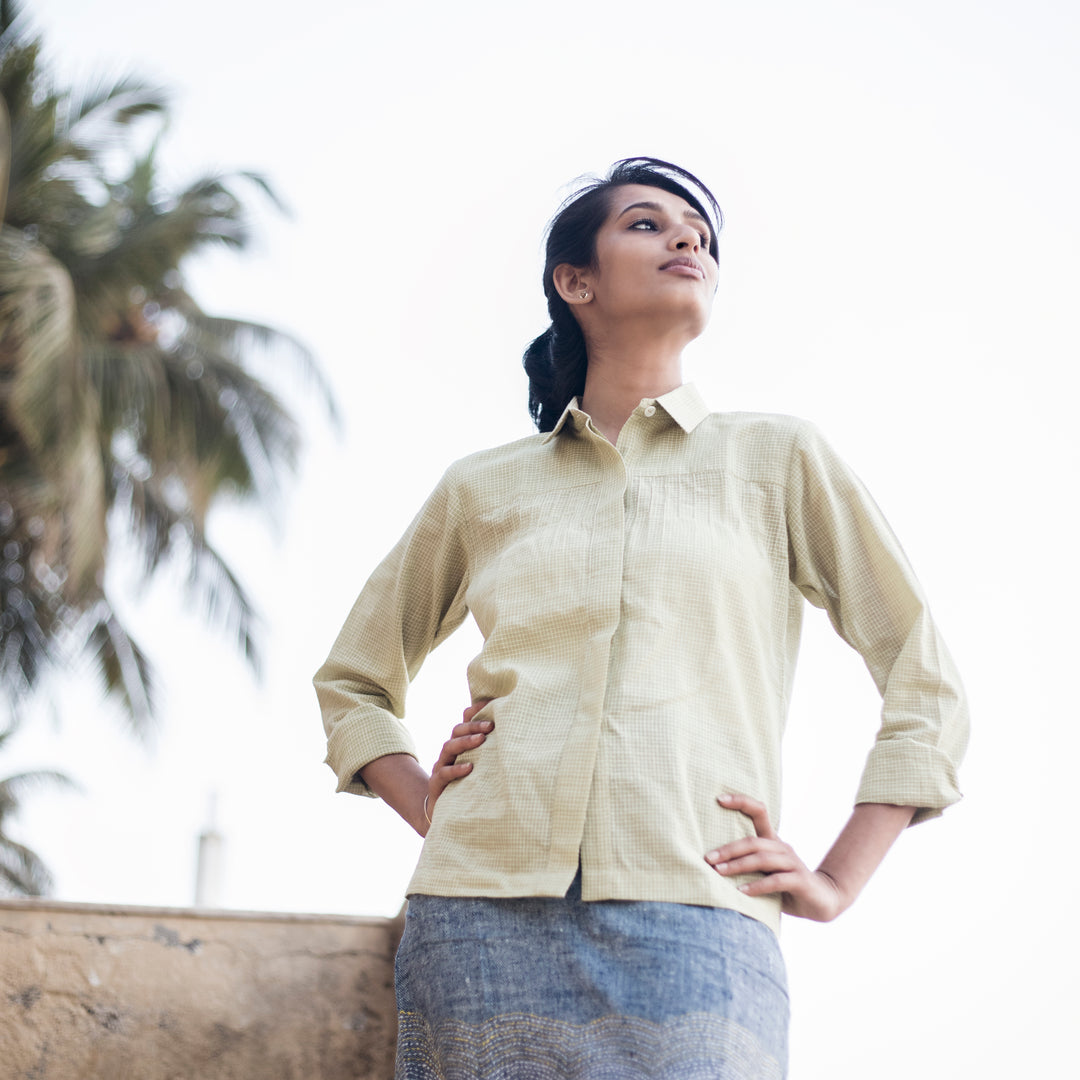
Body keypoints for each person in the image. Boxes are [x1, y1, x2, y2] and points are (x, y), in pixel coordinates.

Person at [313, 157, 968, 1079]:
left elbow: (922, 672)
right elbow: (353, 677)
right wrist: (422, 796)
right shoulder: (482, 487)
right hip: (479, 919)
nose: (687, 238)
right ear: (574, 281)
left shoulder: (775, 459)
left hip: (698, 911)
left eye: (698, 232)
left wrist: (837, 878)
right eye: (648, 224)